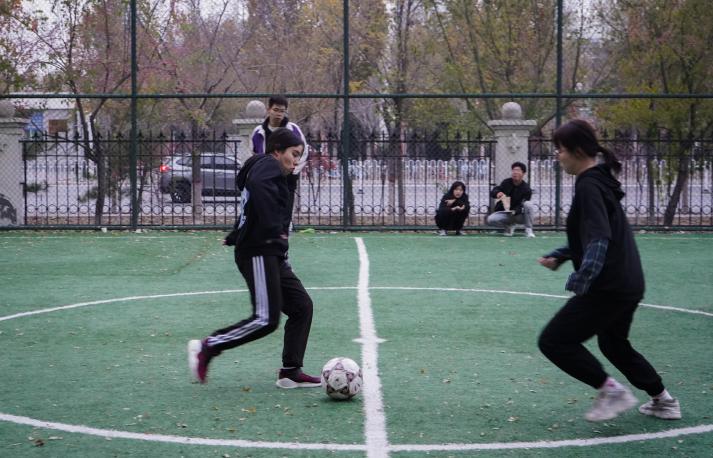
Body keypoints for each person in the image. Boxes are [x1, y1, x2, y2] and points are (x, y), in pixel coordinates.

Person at [537, 119, 681, 422]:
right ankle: (664, 401)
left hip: (609, 286)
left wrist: (583, 277)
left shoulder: (589, 186)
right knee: (613, 343)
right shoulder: (600, 180)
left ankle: (611, 391)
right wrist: (562, 255)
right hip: (629, 282)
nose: (557, 155)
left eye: (560, 149)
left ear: (577, 151)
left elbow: (600, 238)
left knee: (554, 341)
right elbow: (600, 233)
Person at [188, 128, 321, 388]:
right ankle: (209, 346)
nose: (296, 161)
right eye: (294, 154)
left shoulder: (274, 173)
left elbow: (251, 207)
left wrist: (236, 234)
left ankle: (291, 371)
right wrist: (272, 230)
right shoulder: (268, 165)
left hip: (271, 250)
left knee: (301, 306)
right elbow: (259, 191)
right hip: (259, 250)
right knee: (265, 319)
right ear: (277, 151)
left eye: (299, 156)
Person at [251, 95, 308, 230]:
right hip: (266, 178)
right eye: (276, 110)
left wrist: (293, 170)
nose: (279, 114)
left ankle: (283, 237)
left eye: (282, 111)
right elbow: (253, 154)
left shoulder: (293, 129)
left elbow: (304, 151)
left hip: (288, 177)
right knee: (266, 211)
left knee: (285, 213)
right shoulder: (258, 132)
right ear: (268, 110)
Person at [486, 162, 536, 237]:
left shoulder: (526, 189)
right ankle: (508, 226)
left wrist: (515, 211)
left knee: (528, 204)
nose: (515, 172)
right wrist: (497, 193)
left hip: (518, 216)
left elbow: (522, 205)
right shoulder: (506, 182)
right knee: (490, 219)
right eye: (514, 170)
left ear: (523, 173)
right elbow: (495, 190)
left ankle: (529, 229)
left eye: (518, 170)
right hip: (506, 214)